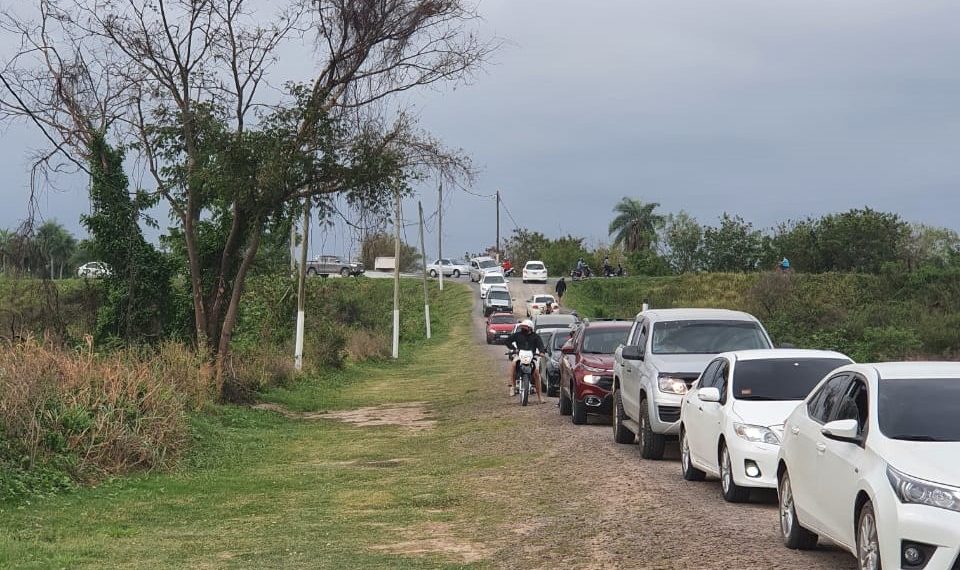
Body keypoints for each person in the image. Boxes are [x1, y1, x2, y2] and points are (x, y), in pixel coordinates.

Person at [506, 319, 545, 403]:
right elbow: (508, 341)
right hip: (519, 355)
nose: (523, 328)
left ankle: (540, 396)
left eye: (525, 327)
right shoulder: (517, 335)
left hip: (532, 357)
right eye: (522, 326)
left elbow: (540, 345)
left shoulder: (536, 336)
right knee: (513, 364)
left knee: (537, 373)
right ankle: (512, 387)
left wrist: (541, 352)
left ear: (530, 328)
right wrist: (513, 349)